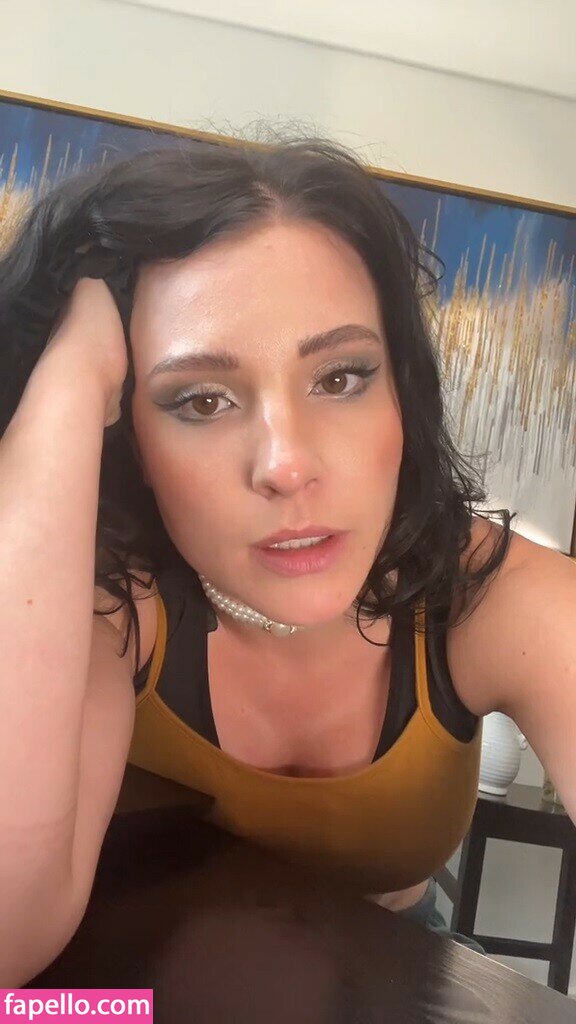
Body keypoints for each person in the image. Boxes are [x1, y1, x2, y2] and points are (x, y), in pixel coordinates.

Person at [0, 137, 574, 986]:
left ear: (402, 393)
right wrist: (68, 382)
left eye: (340, 379)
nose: (287, 465)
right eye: (201, 399)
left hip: (389, 979)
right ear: (132, 436)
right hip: (119, 990)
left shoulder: (498, 596)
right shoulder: (110, 597)